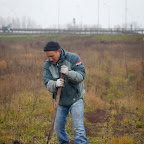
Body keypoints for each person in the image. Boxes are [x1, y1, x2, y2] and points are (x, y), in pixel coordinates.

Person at [43, 41, 88, 144]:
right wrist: (55, 84)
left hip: (75, 98)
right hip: (60, 101)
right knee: (58, 128)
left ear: (58, 51)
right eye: (48, 56)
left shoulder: (73, 58)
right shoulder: (48, 65)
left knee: (78, 128)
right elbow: (47, 82)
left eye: (52, 56)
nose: (50, 59)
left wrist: (69, 73)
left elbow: (81, 76)